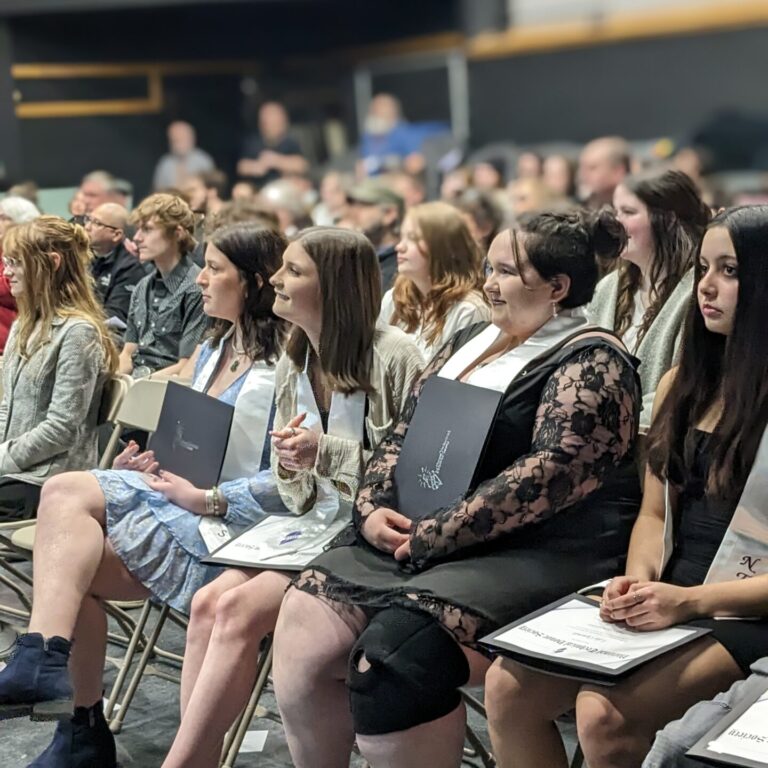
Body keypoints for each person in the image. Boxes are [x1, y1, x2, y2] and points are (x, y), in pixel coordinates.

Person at [272, 209, 643, 768]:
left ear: (558, 287)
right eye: (487, 268)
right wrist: (372, 506)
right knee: (303, 618)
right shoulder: (472, 338)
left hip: (537, 549)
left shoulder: (593, 359)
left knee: (392, 663)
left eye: (506, 272)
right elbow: (404, 430)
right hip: (430, 535)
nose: (488, 284)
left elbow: (550, 476)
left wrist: (436, 534)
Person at [485, 205, 768, 768]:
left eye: (730, 271)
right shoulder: (678, 384)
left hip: (743, 611)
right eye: (703, 269)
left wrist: (687, 602)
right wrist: (635, 583)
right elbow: (655, 517)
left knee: (603, 715)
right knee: (507, 688)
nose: (707, 287)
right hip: (667, 597)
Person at [0, 223, 291, 766]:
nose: (200, 279)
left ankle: (46, 670)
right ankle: (80, 725)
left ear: (253, 282)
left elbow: (293, 483)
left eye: (214, 269)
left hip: (233, 529)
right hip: (179, 504)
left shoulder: (290, 365)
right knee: (66, 551)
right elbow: (192, 445)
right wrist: (149, 462)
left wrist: (207, 498)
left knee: (64, 516)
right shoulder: (214, 347)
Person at [158, 227, 424, 768]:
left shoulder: (397, 356)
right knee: (208, 603)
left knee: (232, 609)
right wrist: (291, 462)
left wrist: (322, 452)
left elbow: (417, 476)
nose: (275, 279)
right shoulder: (294, 356)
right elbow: (297, 495)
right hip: (314, 523)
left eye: (294, 272)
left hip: (370, 536)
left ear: (335, 288)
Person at [0, 216, 117, 522]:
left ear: (51, 263)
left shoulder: (79, 332)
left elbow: (61, 430)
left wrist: (2, 459)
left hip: (49, 481)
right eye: (5, 262)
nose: (6, 272)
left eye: (15, 262)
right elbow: (6, 407)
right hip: (16, 470)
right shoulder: (25, 325)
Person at [588, 169, 711, 426]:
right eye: (615, 211)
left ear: (667, 220)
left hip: (654, 441)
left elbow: (685, 391)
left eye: (628, 212)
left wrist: (606, 423)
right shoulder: (608, 288)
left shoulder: (699, 293)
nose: (615, 223)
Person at [379, 201, 489, 360]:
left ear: (445, 247)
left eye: (413, 238)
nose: (399, 247)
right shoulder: (394, 298)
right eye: (402, 237)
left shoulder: (468, 310)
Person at [119, 193, 207, 378]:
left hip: (164, 388)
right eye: (138, 230)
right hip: (137, 383)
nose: (136, 237)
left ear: (178, 233)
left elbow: (186, 365)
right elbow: (128, 352)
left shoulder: (196, 288)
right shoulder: (142, 286)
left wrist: (138, 386)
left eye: (147, 229)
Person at [84, 202, 147, 326]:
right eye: (88, 219)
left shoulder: (130, 269)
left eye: (96, 223)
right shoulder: (81, 254)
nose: (87, 227)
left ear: (116, 235)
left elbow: (114, 317)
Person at [345, 180, 404, 290]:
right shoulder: (351, 257)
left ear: (389, 213)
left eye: (362, 206)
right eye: (352, 206)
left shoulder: (403, 263)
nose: (352, 213)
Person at [0, 196, 41, 352]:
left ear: (23, 222)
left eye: (3, 218)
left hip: (13, 345)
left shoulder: (30, 251)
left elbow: (11, 290)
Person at [237, 101, 308, 187]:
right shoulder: (253, 142)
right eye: (269, 120)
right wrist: (256, 167)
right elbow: (241, 166)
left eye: (276, 120)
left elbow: (302, 165)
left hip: (286, 188)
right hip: (260, 187)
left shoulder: (291, 141)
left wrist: (276, 160)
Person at [152, 121, 215, 191]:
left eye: (181, 138)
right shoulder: (165, 163)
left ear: (191, 138)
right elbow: (158, 190)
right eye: (174, 140)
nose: (177, 144)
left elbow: (211, 188)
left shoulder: (203, 160)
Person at [578, 136, 632, 209]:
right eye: (582, 168)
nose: (583, 175)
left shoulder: (635, 208)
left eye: (592, 168)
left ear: (618, 171)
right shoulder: (579, 207)